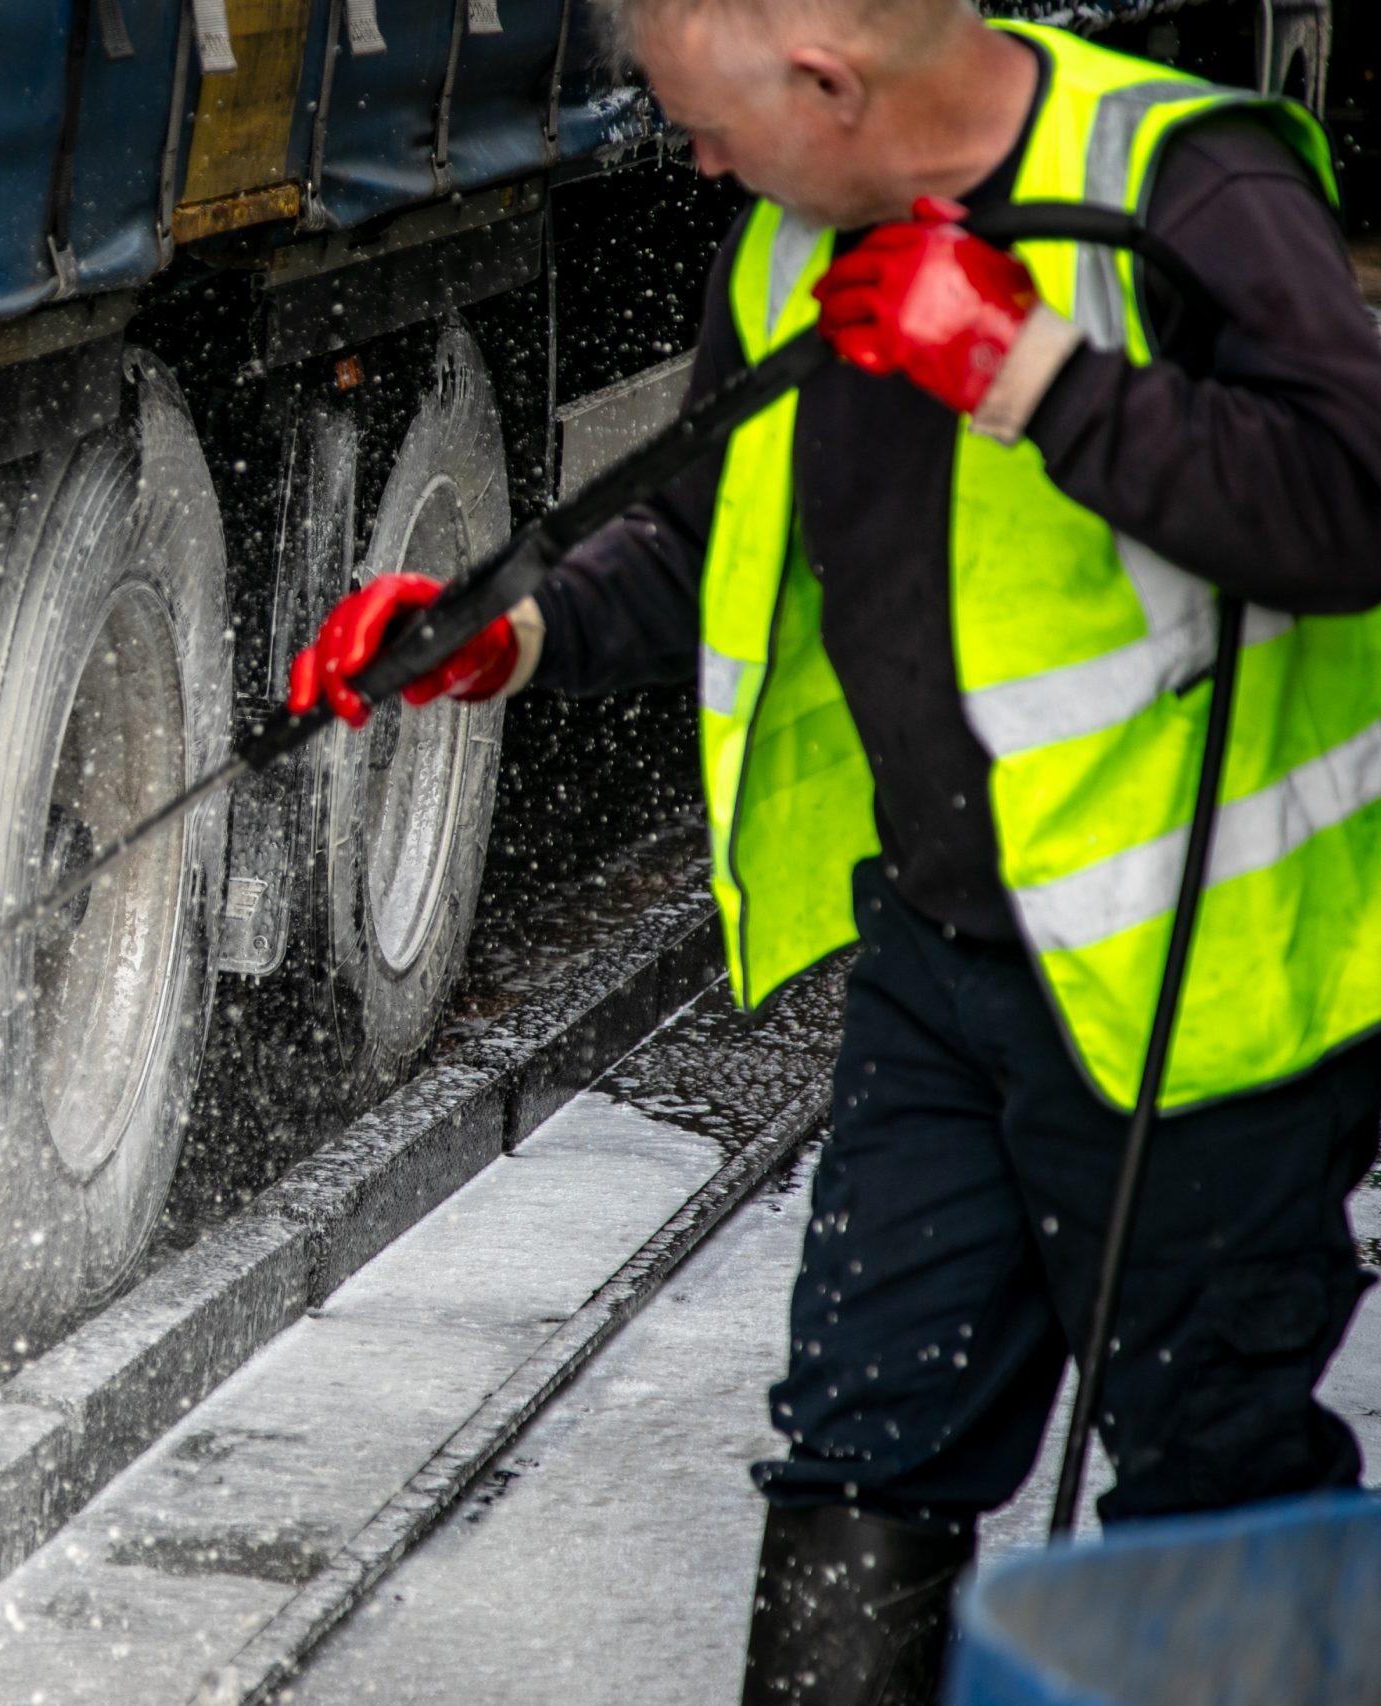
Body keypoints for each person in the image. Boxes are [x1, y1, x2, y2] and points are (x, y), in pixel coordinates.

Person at [288, 3, 1381, 1701]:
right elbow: (714, 544)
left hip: (1203, 998)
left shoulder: (1180, 188)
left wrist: (1032, 379)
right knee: (860, 1455)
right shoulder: (793, 238)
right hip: (942, 976)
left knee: (1208, 1502)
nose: (694, 157)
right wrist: (511, 636)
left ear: (828, 79)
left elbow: (1351, 499)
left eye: (708, 125)